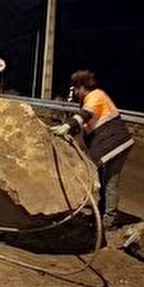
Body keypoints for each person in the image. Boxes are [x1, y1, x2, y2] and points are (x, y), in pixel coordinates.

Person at [50, 70, 134, 230]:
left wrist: (67, 126)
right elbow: (84, 123)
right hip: (111, 145)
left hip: (116, 144)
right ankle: (102, 215)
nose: (74, 92)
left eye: (76, 88)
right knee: (104, 181)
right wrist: (68, 130)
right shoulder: (89, 99)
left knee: (110, 182)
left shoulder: (96, 96)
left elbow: (85, 115)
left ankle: (108, 221)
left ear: (82, 86)